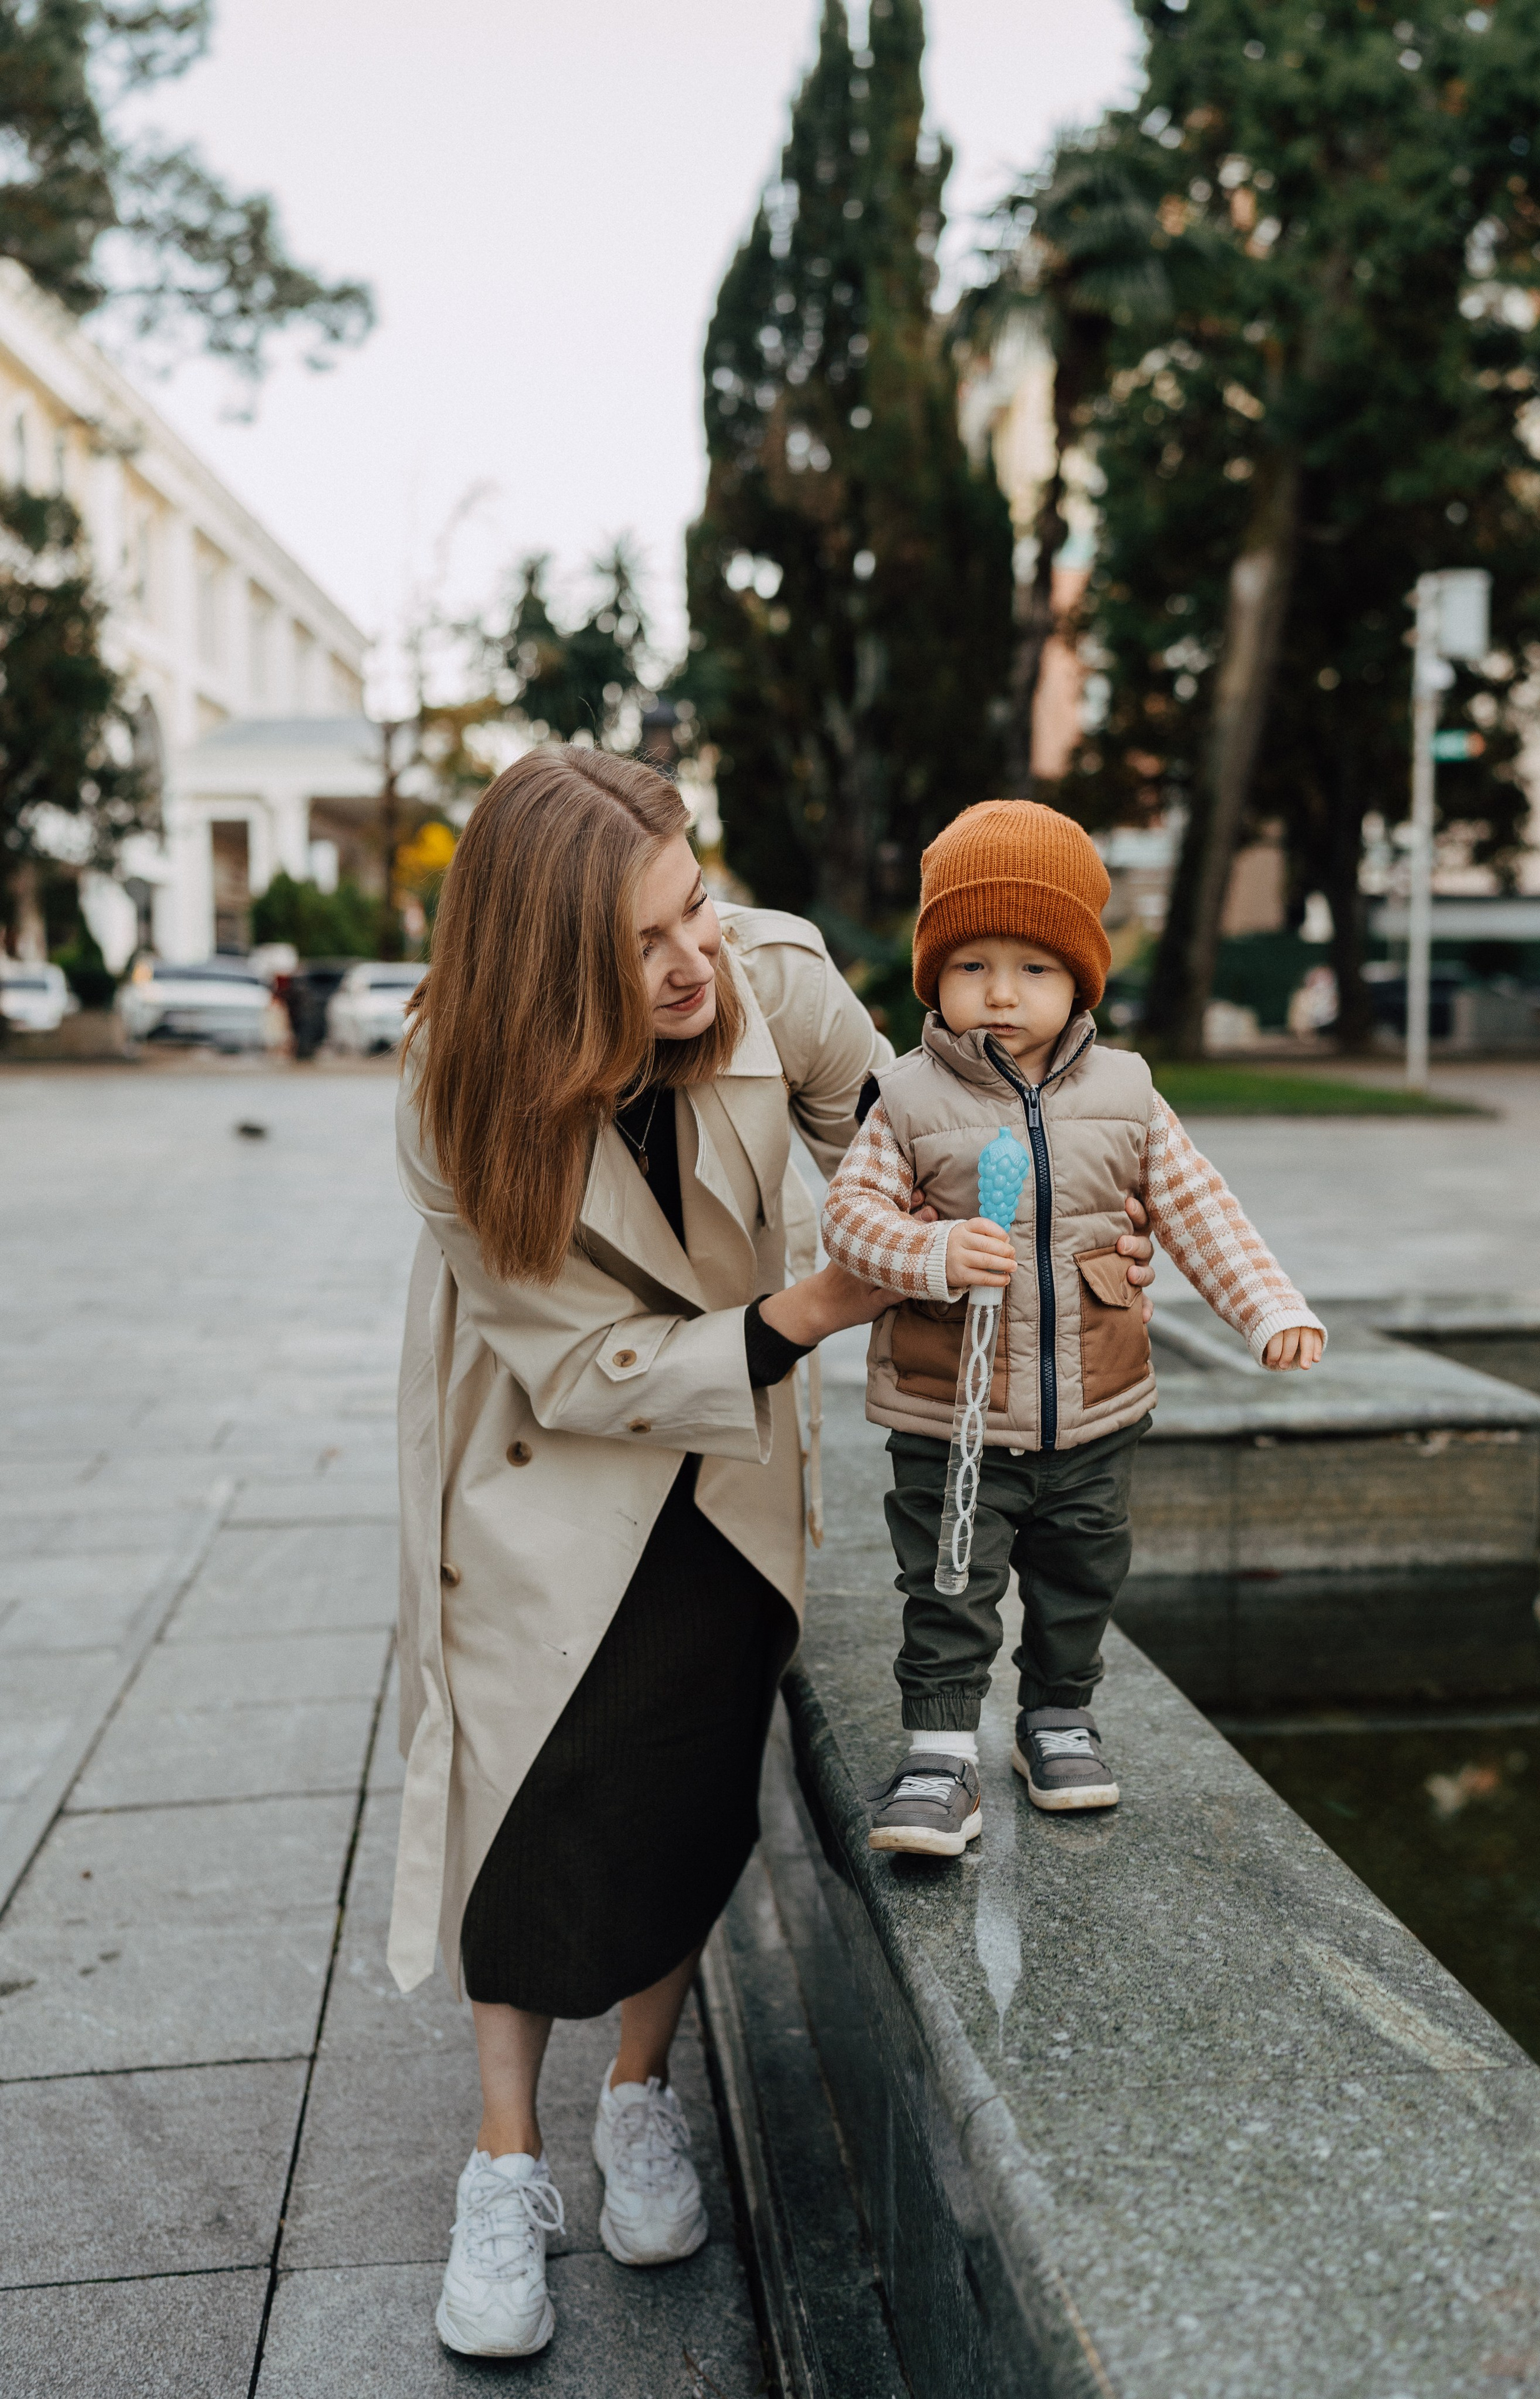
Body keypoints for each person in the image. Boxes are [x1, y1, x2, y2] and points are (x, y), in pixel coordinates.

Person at [386, 748, 1163, 2362]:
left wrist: (1071, 1218)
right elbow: (574, 1367)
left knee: (685, 1794)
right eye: (647, 945)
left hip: (726, 1474)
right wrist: (812, 1307)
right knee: (521, 1809)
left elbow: (922, 1145)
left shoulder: (775, 982)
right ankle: (505, 2163)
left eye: (697, 907)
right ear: (548, 964)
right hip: (552, 1468)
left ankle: (640, 2102)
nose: (694, 964)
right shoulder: (454, 1090)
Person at [821, 799, 1325, 1857]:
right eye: (972, 965)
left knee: (1081, 1577)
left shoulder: (1128, 1094)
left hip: (1097, 1405)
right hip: (950, 1412)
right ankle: (941, 1751)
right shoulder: (907, 1098)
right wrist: (931, 1254)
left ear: (1081, 979)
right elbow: (850, 1219)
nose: (1001, 992)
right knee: (949, 1581)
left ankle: (1057, 1717)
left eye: (1034, 967)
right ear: (934, 977)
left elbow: (1199, 1210)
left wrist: (1269, 1306)